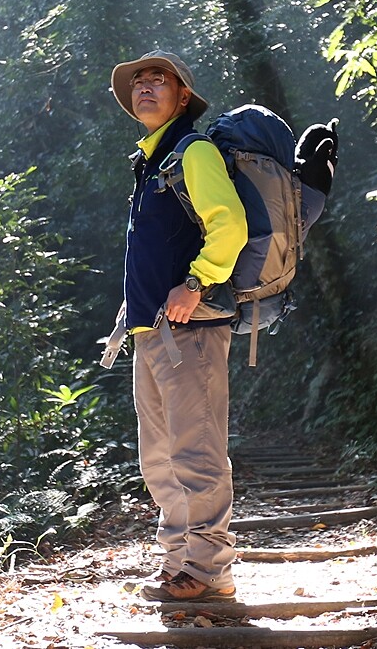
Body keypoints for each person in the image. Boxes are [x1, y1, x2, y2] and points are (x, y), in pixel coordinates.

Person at [109, 50, 247, 602]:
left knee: (196, 451)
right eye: (137, 82)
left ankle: (211, 569)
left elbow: (229, 227)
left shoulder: (194, 151)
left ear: (182, 96)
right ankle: (178, 562)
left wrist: (196, 283)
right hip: (150, 333)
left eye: (157, 79)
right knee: (160, 459)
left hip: (191, 329)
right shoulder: (150, 161)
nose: (144, 87)